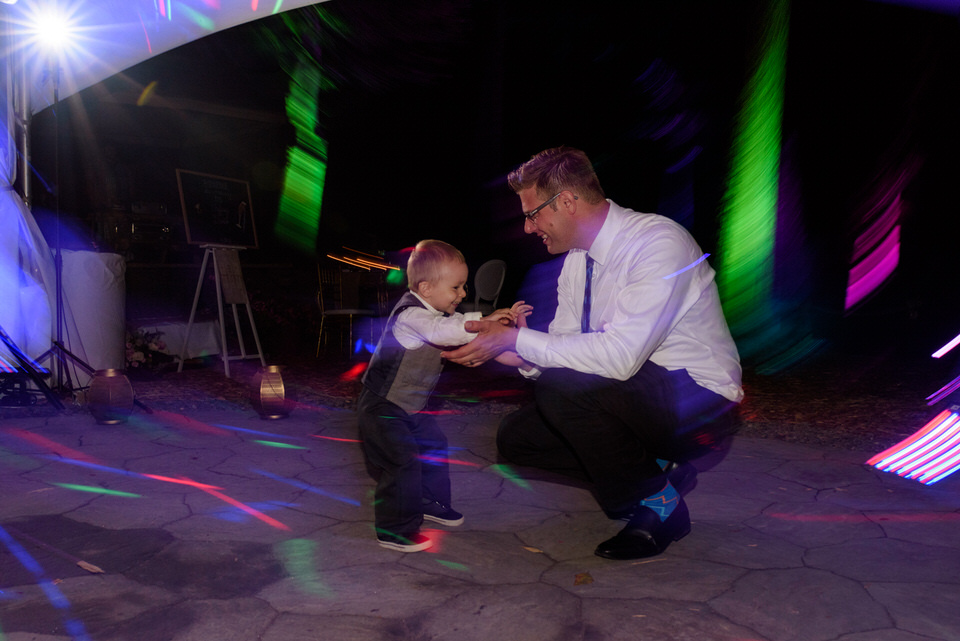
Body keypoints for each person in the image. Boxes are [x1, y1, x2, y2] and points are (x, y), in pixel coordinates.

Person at [442, 147, 743, 560]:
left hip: (702, 404)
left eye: (532, 214)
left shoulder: (658, 243)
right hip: (641, 396)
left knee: (563, 389)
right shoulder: (576, 263)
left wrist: (516, 341)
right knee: (517, 440)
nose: (529, 228)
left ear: (566, 201)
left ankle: (659, 503)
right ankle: (655, 476)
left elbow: (620, 357)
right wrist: (514, 354)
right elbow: (566, 351)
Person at [358, 239, 530, 552]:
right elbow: (442, 331)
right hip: (383, 406)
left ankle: (429, 502)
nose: (462, 294)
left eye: (463, 287)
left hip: (412, 407)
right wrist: (485, 321)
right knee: (402, 461)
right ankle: (394, 530)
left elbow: (451, 326)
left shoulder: (433, 313)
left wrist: (496, 327)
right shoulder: (412, 316)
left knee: (434, 447)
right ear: (425, 288)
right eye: (456, 287)